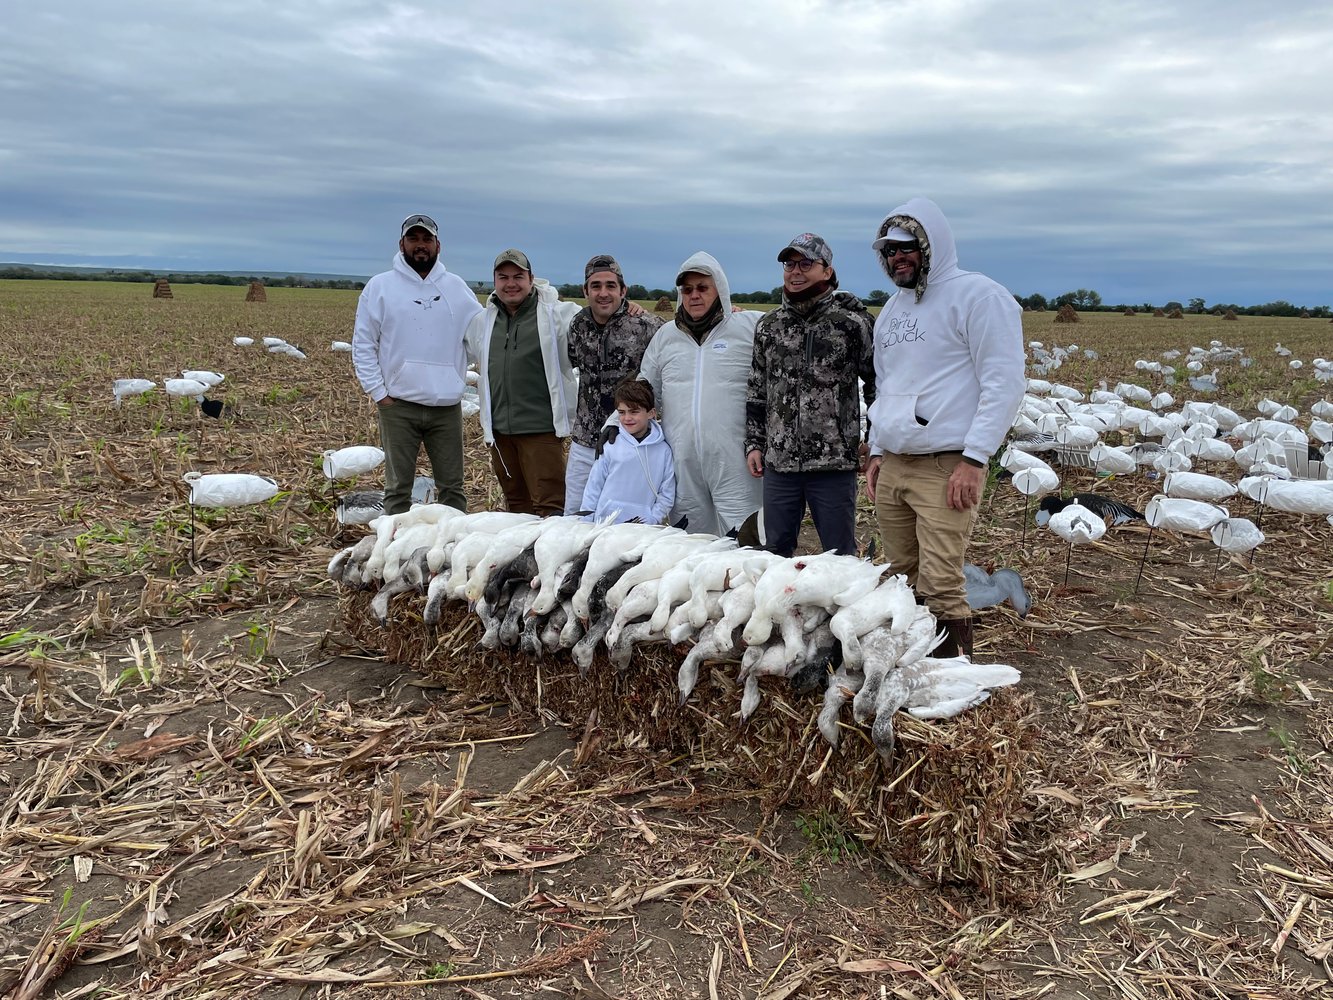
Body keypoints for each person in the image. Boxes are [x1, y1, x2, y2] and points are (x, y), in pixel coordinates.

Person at [863, 197, 1025, 657]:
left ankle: (953, 673)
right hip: (895, 462)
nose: (898, 257)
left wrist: (975, 459)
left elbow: (1005, 382)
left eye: (907, 246)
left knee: (941, 581)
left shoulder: (978, 296)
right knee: (900, 572)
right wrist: (878, 451)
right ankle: (913, 663)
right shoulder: (892, 311)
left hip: (946, 463)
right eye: (889, 250)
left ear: (932, 244)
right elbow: (886, 386)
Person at [745, 233, 876, 557]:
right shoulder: (769, 326)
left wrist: (876, 441)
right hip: (780, 465)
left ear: (827, 271)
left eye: (806, 263)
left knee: (840, 556)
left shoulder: (851, 324)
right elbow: (757, 388)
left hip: (833, 464)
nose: (796, 271)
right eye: (790, 264)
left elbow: (877, 385)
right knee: (775, 554)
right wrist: (753, 442)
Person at [352, 213, 483, 513]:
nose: (420, 245)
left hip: (446, 408)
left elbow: (479, 339)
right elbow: (363, 344)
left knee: (452, 487)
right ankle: (394, 551)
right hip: (398, 406)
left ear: (439, 245)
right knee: (397, 489)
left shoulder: (456, 289)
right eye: (414, 239)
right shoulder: (379, 287)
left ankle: (452, 549)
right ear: (401, 244)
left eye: (427, 239)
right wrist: (379, 394)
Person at [637, 252, 762, 536]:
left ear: (721, 290)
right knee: (691, 543)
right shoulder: (666, 337)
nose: (694, 295)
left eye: (703, 288)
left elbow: (792, 328)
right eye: (687, 290)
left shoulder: (748, 327)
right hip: (682, 463)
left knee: (744, 540)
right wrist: (614, 427)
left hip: (736, 462)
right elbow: (643, 392)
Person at [464, 249, 581, 516]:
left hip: (540, 429)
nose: (511, 283)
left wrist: (628, 307)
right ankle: (521, 558)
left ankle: (550, 557)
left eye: (518, 276)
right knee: (516, 506)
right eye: (503, 277)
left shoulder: (558, 315)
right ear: (494, 281)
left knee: (550, 507)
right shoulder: (482, 322)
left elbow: (600, 318)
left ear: (531, 279)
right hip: (499, 433)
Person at [564, 254, 664, 514]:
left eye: (610, 286)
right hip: (585, 439)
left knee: (620, 518)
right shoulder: (578, 325)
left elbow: (682, 341)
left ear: (623, 291)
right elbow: (572, 359)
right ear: (585, 291)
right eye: (596, 286)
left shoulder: (645, 325)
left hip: (628, 441)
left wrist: (730, 313)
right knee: (575, 514)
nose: (603, 293)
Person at [579, 378, 675, 525]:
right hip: (604, 526)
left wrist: (653, 519)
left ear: (651, 413)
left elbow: (667, 494)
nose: (627, 418)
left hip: (640, 529)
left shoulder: (664, 451)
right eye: (622, 412)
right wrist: (585, 522)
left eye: (634, 412)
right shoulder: (610, 445)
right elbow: (593, 487)